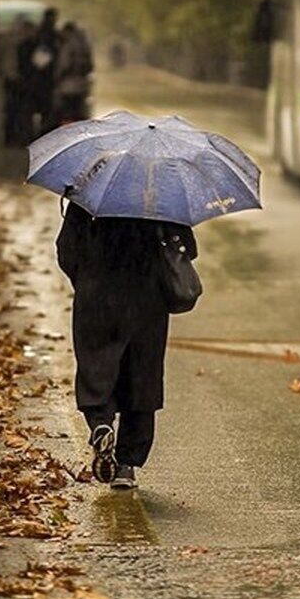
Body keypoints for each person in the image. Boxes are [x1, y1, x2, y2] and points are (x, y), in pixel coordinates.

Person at [56, 200, 197, 489]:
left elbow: (66, 249)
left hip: (97, 294)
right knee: (141, 378)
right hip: (147, 299)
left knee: (97, 368)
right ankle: (126, 466)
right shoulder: (163, 197)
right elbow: (187, 249)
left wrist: (86, 280)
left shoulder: (89, 197)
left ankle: (100, 424)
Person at [53, 22, 93, 125]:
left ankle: (67, 134)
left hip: (67, 86)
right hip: (82, 85)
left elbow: (64, 65)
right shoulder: (84, 45)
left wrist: (56, 78)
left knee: (67, 113)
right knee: (78, 112)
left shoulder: (68, 46)